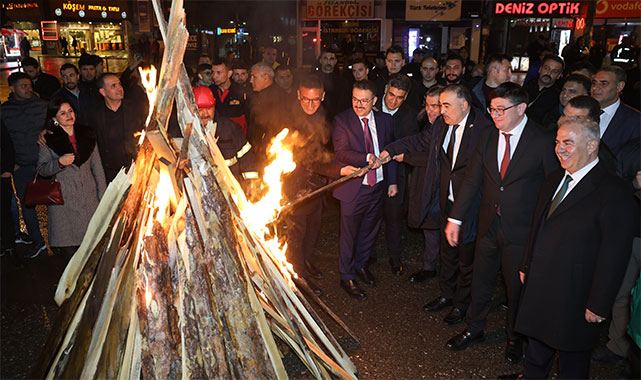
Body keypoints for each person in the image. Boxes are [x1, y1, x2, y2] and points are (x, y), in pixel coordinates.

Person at [500, 116, 636, 380]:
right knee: (536, 353)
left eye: (569, 143)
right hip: (540, 285)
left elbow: (615, 255)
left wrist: (599, 303)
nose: (560, 148)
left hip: (576, 295)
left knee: (572, 364)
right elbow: (538, 227)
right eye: (558, 142)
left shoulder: (614, 192)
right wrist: (527, 264)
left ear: (592, 145)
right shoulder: (553, 180)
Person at [444, 82, 559, 365]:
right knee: (481, 279)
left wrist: (544, 234)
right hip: (488, 225)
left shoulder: (543, 140)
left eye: (500, 110)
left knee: (515, 288)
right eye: (492, 109)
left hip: (521, 231)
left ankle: (514, 338)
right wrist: (455, 218)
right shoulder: (487, 137)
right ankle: (475, 327)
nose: (494, 115)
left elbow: (551, 190)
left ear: (521, 109)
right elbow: (472, 180)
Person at [282, 75, 360, 297]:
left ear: (323, 96)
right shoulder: (289, 120)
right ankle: (298, 278)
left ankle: (306, 262)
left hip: (316, 186)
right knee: (297, 232)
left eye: (315, 100)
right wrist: (338, 171)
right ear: (298, 95)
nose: (310, 104)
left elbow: (327, 149)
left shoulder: (325, 115)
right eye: (306, 99)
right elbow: (306, 158)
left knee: (314, 227)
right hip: (294, 185)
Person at [332, 79, 397, 300]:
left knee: (369, 231)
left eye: (364, 101)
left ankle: (360, 265)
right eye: (355, 99)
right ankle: (346, 275)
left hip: (377, 185)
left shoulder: (385, 120)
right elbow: (341, 152)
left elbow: (392, 152)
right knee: (349, 234)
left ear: (375, 100)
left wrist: (392, 182)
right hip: (354, 187)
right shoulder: (342, 120)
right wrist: (365, 157)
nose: (359, 105)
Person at [381, 85, 446, 284]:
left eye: (435, 106)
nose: (430, 110)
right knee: (431, 229)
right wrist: (391, 149)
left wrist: (405, 157)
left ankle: (441, 273)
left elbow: (437, 159)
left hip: (443, 188)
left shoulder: (449, 125)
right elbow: (417, 141)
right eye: (427, 105)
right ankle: (430, 268)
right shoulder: (432, 125)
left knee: (441, 229)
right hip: (429, 184)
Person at [38, 99, 106, 259]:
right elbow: (42, 169)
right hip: (64, 202)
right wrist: (59, 163)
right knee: (70, 249)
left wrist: (102, 197)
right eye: (63, 113)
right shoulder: (48, 140)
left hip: (89, 199)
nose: (68, 115)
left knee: (93, 246)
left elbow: (98, 169)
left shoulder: (87, 135)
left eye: (70, 111)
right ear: (54, 119)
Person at [372, 73, 419, 275]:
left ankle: (394, 256)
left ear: (406, 97)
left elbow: (410, 144)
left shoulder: (409, 115)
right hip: (371, 169)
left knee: (394, 216)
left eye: (400, 97)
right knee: (370, 215)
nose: (394, 101)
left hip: (396, 172)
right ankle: (368, 255)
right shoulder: (371, 107)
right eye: (391, 95)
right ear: (385, 90)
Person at [1, 72, 48, 258]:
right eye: (23, 86)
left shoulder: (43, 106)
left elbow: (57, 123)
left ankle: (60, 240)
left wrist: (47, 129)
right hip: (21, 166)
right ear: (12, 88)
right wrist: (10, 164)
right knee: (28, 206)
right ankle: (38, 242)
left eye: (29, 86)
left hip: (45, 164)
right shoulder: (4, 111)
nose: (29, 89)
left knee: (54, 202)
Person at [80, 73, 146, 182]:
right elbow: (80, 133)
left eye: (119, 84)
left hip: (134, 168)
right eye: (113, 86)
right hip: (108, 172)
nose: (119, 88)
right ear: (103, 92)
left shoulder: (136, 109)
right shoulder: (93, 113)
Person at [193, 86, 258, 188]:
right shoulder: (186, 133)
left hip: (231, 189)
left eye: (209, 108)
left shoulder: (229, 128)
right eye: (200, 110)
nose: (205, 113)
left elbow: (247, 158)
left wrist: (251, 185)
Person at [591, 66, 641, 156]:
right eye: (594, 83)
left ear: (619, 87)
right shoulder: (581, 112)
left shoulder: (635, 120)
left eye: (603, 84)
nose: (595, 88)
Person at [247, 62, 282, 168]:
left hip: (268, 153)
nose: (251, 80)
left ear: (266, 78)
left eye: (254, 77)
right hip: (257, 151)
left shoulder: (278, 98)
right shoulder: (256, 96)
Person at [210, 59, 249, 135]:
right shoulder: (209, 91)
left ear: (229, 73)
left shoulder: (241, 92)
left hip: (236, 137)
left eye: (219, 73)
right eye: (213, 73)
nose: (215, 76)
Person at [524, 54, 564, 125]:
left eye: (554, 71)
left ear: (559, 76)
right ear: (540, 69)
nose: (548, 73)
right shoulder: (528, 85)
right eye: (546, 68)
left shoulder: (556, 97)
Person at [314, 48, 349, 121]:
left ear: (335, 61)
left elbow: (343, 106)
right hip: (315, 120)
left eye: (331, 59)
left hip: (336, 121)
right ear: (321, 61)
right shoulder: (313, 80)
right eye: (326, 59)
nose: (328, 62)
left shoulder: (343, 83)